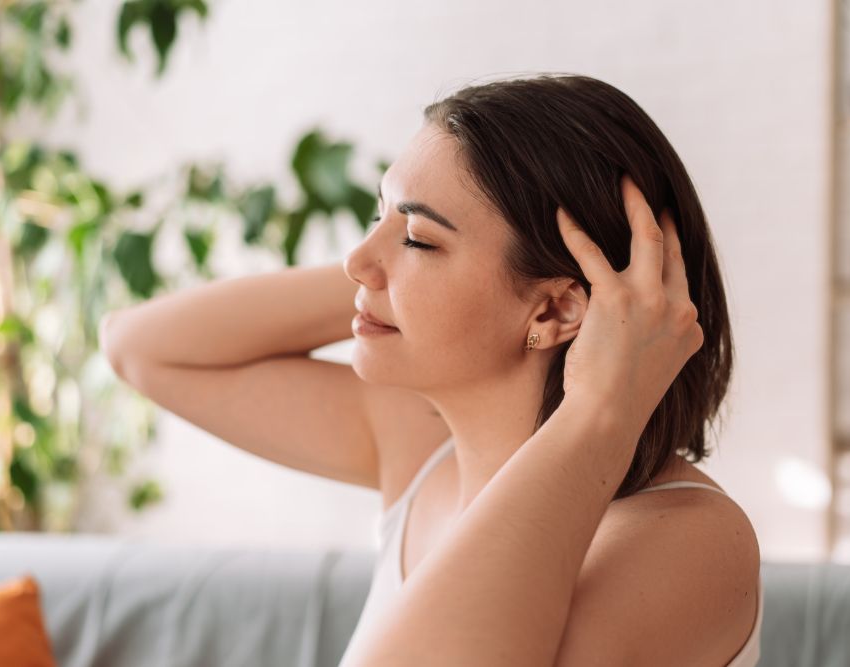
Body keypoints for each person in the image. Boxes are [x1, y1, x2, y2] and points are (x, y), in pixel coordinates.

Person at [101, 73, 761, 666]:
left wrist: (600, 406)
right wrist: (388, 273)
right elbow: (138, 346)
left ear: (558, 306)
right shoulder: (422, 447)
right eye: (376, 215)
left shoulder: (688, 542)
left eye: (419, 238)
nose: (356, 256)